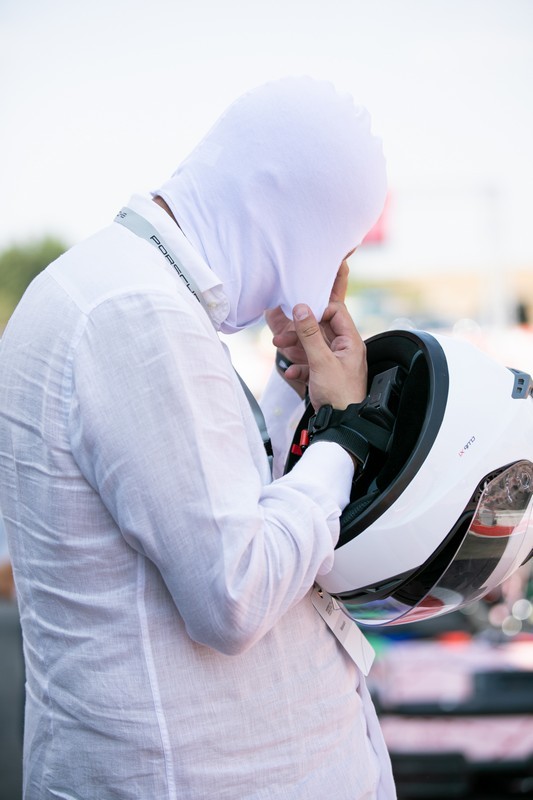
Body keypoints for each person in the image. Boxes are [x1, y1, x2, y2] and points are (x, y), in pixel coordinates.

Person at [0, 77, 394, 799]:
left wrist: (293, 384)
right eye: (333, 244)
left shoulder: (130, 291)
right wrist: (345, 433)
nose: (329, 274)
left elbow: (227, 500)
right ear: (293, 213)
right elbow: (233, 590)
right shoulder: (134, 313)